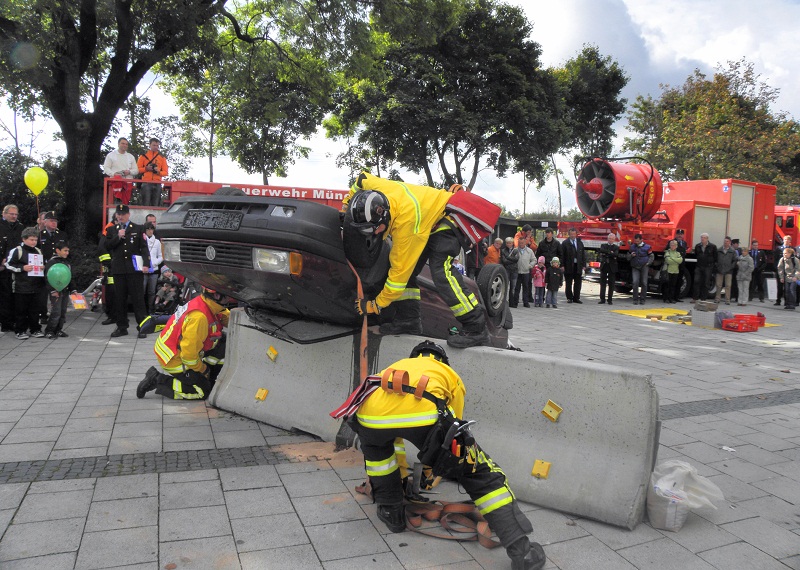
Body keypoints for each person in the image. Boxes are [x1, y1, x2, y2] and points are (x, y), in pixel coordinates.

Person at [343, 341, 546, 570]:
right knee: (479, 473)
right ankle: (523, 553)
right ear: (442, 360)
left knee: (379, 458)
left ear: (415, 356)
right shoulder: (448, 373)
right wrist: (438, 467)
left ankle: (391, 512)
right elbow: (454, 426)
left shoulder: (397, 365)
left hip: (369, 416)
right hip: (423, 412)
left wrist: (401, 477)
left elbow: (394, 432)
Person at [343, 173, 497, 348]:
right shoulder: (381, 190)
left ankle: (476, 327)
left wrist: (373, 306)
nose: (374, 234)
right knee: (410, 272)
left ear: (384, 218)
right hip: (428, 217)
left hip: (447, 216)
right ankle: (409, 321)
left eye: (374, 229)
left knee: (441, 271)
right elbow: (361, 178)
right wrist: (346, 205)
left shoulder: (407, 230)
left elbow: (396, 281)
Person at [136, 287, 231, 400]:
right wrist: (203, 369)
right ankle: (157, 379)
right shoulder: (199, 317)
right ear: (216, 296)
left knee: (224, 343)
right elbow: (188, 356)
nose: (230, 297)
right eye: (227, 294)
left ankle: (209, 378)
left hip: (179, 348)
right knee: (202, 391)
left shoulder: (207, 303)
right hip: (174, 358)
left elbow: (225, 317)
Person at [104, 204, 150, 338]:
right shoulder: (112, 229)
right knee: (120, 300)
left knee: (138, 299)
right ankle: (121, 326)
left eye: (123, 214)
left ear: (128, 215)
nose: (120, 216)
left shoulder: (138, 228)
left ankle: (142, 326)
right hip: (119, 270)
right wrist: (118, 237)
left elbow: (144, 248)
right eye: (118, 214)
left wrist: (146, 264)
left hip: (134, 270)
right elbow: (107, 246)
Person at [4, 227, 45, 339]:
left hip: (35, 286)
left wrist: (42, 268)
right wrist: (22, 268)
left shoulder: (38, 251)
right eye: (31, 239)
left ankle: (35, 329)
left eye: (35, 240)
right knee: (21, 310)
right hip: (20, 286)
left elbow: (42, 265)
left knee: (35, 310)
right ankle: (20, 330)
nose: (34, 242)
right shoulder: (17, 250)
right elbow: (8, 265)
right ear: (24, 239)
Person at [43, 241, 75, 339]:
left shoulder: (67, 262)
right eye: (65, 251)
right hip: (55, 291)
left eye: (68, 251)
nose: (67, 253)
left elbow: (69, 277)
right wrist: (52, 290)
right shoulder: (51, 262)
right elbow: (47, 277)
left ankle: (58, 329)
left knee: (63, 311)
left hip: (65, 290)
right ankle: (49, 330)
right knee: (56, 311)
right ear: (57, 250)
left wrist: (73, 289)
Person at [0, 204, 23, 333]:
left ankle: (14, 321)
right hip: (3, 267)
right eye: (11, 214)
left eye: (16, 214)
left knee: (15, 296)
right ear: (4, 214)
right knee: (5, 296)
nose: (14, 216)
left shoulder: (20, 227)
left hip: (16, 267)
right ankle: (6, 323)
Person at [103, 137, 138, 204]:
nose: (124, 145)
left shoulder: (130, 157)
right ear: (118, 144)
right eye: (123, 143)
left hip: (128, 182)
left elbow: (136, 170)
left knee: (125, 203)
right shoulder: (111, 155)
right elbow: (106, 168)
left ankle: (123, 205)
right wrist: (114, 174)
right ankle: (118, 199)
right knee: (117, 179)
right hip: (115, 181)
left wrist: (129, 172)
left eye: (126, 144)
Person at [137, 137, 168, 206]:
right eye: (154, 145)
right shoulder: (143, 156)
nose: (156, 147)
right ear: (150, 145)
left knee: (156, 205)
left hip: (157, 183)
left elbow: (166, 172)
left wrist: (158, 172)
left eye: (157, 146)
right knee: (145, 203)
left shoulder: (162, 158)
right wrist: (146, 169)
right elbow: (137, 169)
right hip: (146, 183)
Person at [143, 222, 163, 313]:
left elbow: (161, 256)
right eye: (148, 229)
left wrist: (154, 263)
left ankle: (150, 310)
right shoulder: (142, 240)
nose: (150, 231)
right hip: (143, 270)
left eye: (151, 229)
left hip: (154, 270)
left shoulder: (157, 242)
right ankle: (142, 310)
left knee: (151, 292)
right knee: (142, 290)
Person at [628, 234, 653, 305]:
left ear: (641, 240)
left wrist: (648, 263)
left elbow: (651, 256)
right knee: (635, 282)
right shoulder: (632, 247)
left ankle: (642, 299)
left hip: (644, 267)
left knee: (644, 283)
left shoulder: (647, 247)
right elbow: (628, 257)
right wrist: (631, 255)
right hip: (635, 267)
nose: (637, 242)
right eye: (635, 241)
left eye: (638, 241)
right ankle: (635, 299)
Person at [692, 233, 717, 302]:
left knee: (706, 282)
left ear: (707, 239)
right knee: (696, 281)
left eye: (704, 237)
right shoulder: (698, 246)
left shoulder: (713, 246)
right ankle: (695, 298)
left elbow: (715, 257)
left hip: (708, 267)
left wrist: (712, 266)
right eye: (701, 237)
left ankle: (703, 298)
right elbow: (696, 255)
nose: (702, 239)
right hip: (699, 266)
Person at [513, 238, 535, 308]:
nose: (521, 244)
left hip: (526, 272)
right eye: (519, 243)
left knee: (526, 287)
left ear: (525, 243)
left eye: (522, 243)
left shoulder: (529, 251)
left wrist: (530, 265)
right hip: (517, 272)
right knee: (517, 288)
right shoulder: (515, 250)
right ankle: (515, 302)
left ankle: (525, 302)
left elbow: (534, 260)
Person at [714, 236, 737, 305]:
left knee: (728, 285)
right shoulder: (719, 250)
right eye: (724, 241)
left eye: (727, 241)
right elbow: (715, 260)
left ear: (730, 242)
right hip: (719, 270)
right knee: (718, 285)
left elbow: (734, 261)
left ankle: (727, 300)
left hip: (729, 271)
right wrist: (717, 266)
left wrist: (731, 267)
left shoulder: (732, 251)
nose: (725, 243)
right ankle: (717, 299)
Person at [598, 233, 619, 305]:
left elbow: (615, 254)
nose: (611, 240)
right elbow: (602, 251)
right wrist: (610, 253)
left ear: (614, 240)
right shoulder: (603, 245)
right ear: (608, 239)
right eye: (610, 238)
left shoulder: (616, 247)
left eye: (612, 239)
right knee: (602, 283)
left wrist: (607, 253)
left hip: (612, 267)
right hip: (604, 266)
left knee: (611, 284)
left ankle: (610, 299)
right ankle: (602, 299)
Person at [773, 235, 792, 306]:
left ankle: (786, 301)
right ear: (783, 240)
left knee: (787, 287)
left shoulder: (792, 249)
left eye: (788, 240)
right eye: (785, 239)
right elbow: (775, 259)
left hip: (789, 271)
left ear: (790, 241)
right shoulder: (778, 249)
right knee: (779, 286)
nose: (786, 241)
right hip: (780, 270)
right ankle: (778, 300)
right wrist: (776, 268)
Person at [501, 237, 519, 303]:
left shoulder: (516, 250)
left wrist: (508, 257)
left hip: (514, 270)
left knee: (513, 287)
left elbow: (516, 259)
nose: (509, 244)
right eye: (507, 243)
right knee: (505, 286)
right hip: (507, 270)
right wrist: (512, 259)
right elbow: (504, 261)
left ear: (512, 243)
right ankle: (504, 301)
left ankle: (512, 301)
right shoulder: (503, 250)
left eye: (510, 243)